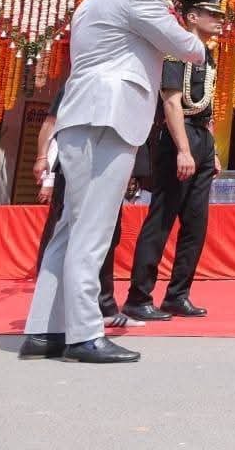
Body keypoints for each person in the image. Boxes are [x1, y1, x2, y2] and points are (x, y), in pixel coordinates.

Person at [20, 0, 207, 364]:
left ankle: (45, 329)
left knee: (71, 228)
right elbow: (190, 49)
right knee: (93, 230)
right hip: (107, 115)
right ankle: (84, 334)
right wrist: (188, 25)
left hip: (86, 114)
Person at [122, 0, 227, 322]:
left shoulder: (206, 56)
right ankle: (138, 297)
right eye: (214, 14)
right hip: (175, 136)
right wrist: (183, 149)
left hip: (200, 137)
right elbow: (171, 103)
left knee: (196, 223)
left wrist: (211, 150)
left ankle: (177, 295)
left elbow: (204, 108)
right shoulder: (175, 52)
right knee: (162, 218)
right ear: (193, 17)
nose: (220, 20)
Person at [33, 86, 144, 332]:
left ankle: (104, 308)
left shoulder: (118, 88)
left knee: (106, 237)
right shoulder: (77, 83)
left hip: (106, 173)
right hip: (74, 169)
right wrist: (42, 157)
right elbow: (51, 123)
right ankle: (52, 313)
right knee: (67, 236)